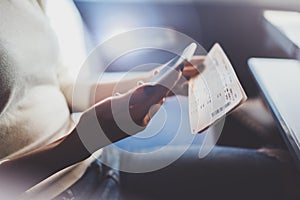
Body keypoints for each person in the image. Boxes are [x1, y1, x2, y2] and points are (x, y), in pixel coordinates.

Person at [0, 1, 297, 199]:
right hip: (49, 188)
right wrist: (82, 141)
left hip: (98, 162)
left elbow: (62, 85)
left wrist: (164, 80)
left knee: (285, 173)